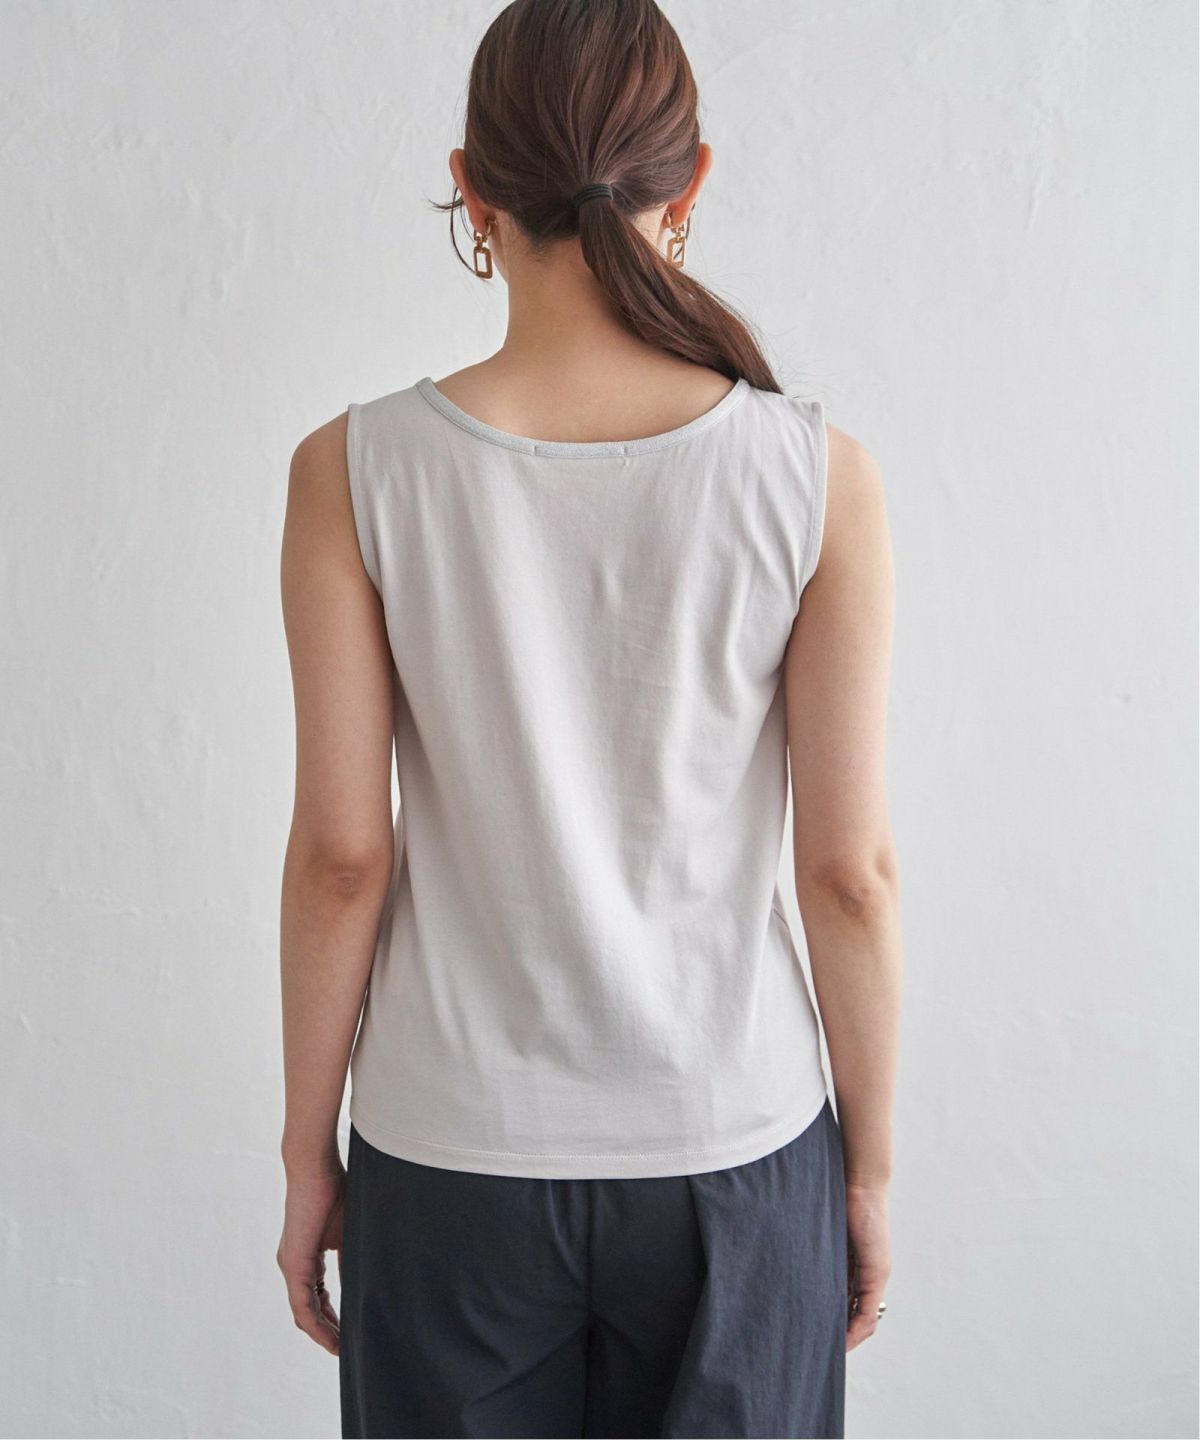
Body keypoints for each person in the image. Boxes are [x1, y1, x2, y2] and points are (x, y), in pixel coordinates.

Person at [275, 1, 903, 1435]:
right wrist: (864, 1172)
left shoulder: (353, 470)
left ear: (470, 188)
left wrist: (308, 1155)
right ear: (690, 182)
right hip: (736, 1154)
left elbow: (341, 859)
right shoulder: (817, 478)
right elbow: (849, 876)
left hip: (450, 1158)